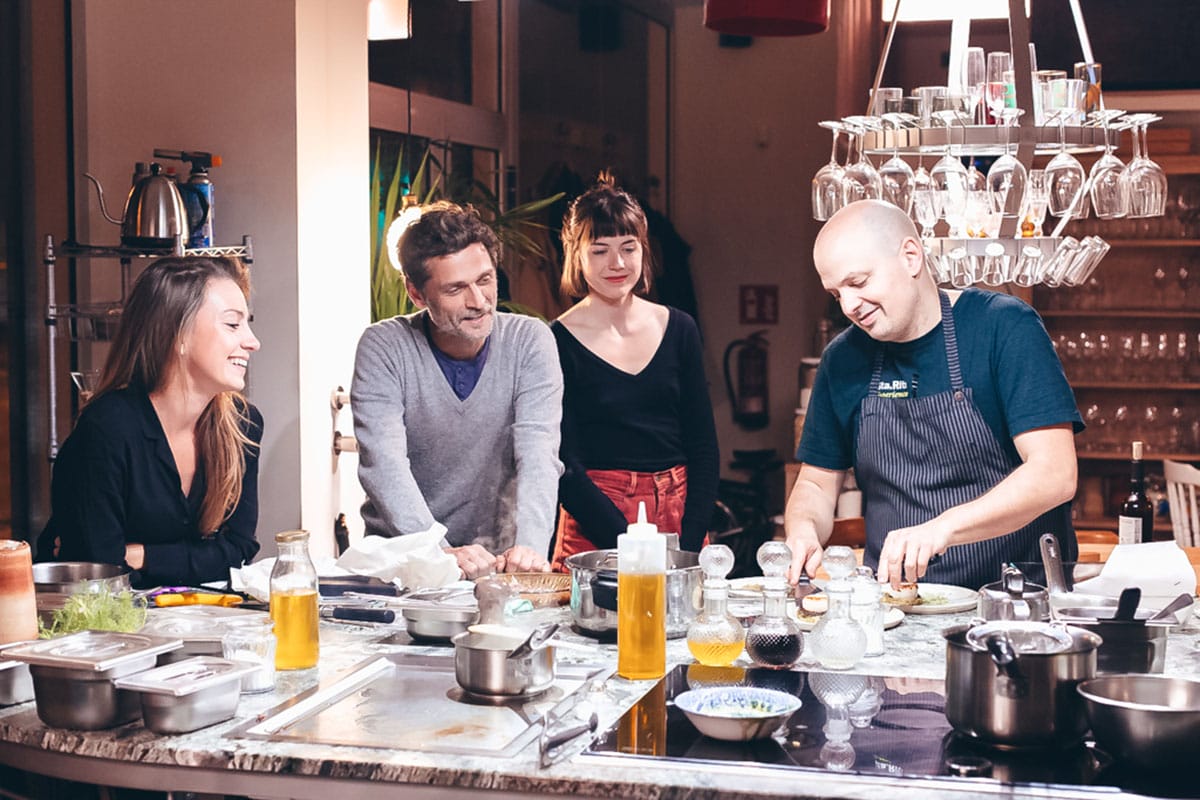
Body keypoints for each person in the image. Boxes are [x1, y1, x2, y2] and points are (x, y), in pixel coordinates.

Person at [785, 199, 1082, 590]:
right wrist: (804, 529)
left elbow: (1054, 474)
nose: (850, 306)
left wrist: (942, 529)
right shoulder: (842, 359)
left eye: (858, 283)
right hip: (896, 605)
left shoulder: (1002, 327)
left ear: (911, 257)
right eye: (838, 293)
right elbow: (817, 484)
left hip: (1015, 602)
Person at [352, 202, 563, 578]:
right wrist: (439, 553)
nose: (479, 302)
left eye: (485, 280)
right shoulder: (384, 346)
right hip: (406, 562)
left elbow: (538, 453)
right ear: (417, 294)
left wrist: (529, 550)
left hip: (496, 564)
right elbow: (384, 466)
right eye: (455, 289)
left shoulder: (530, 340)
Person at [38, 256, 263, 589]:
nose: (252, 342)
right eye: (233, 324)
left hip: (196, 622)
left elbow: (239, 552)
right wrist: (197, 558)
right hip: (103, 629)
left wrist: (142, 556)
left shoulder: (242, 426)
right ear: (178, 334)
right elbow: (101, 571)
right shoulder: (108, 430)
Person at [550, 175, 719, 569]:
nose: (618, 263)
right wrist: (630, 544)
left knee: (684, 627)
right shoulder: (554, 339)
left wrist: (690, 542)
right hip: (597, 517)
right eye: (600, 250)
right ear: (576, 255)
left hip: (680, 511)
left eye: (629, 248)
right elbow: (565, 465)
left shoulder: (679, 328)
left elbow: (704, 446)